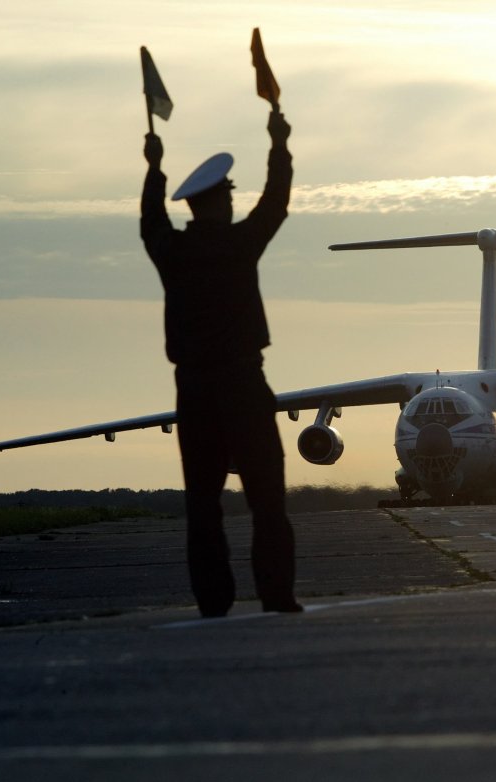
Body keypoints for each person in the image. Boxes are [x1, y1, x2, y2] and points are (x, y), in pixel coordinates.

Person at [140, 109, 300, 617]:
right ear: (220, 201)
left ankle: (213, 601)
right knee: (267, 500)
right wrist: (278, 144)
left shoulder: (173, 251)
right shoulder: (239, 245)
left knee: (203, 505)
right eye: (229, 195)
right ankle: (276, 594)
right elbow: (276, 203)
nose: (234, 201)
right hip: (242, 383)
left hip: (194, 390)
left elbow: (150, 221)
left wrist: (154, 167)